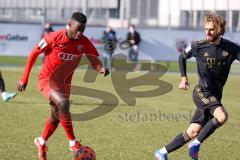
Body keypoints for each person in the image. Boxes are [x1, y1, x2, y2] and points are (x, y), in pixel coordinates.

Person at [17, 12, 109, 160]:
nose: (79, 33)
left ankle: (41, 142)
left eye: (82, 30)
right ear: (69, 25)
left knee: (55, 117)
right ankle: (73, 143)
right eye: (76, 29)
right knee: (63, 103)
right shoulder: (53, 37)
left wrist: (100, 68)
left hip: (65, 84)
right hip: (47, 79)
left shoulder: (84, 42)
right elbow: (34, 53)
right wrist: (24, 78)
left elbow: (93, 58)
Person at [155, 12, 240, 160]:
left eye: (211, 29)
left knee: (193, 131)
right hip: (202, 92)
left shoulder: (231, 48)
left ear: (219, 29)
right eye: (206, 28)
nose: (207, 32)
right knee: (222, 116)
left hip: (216, 95)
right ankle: (196, 144)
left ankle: (162, 152)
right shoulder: (198, 46)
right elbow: (182, 57)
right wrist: (183, 78)